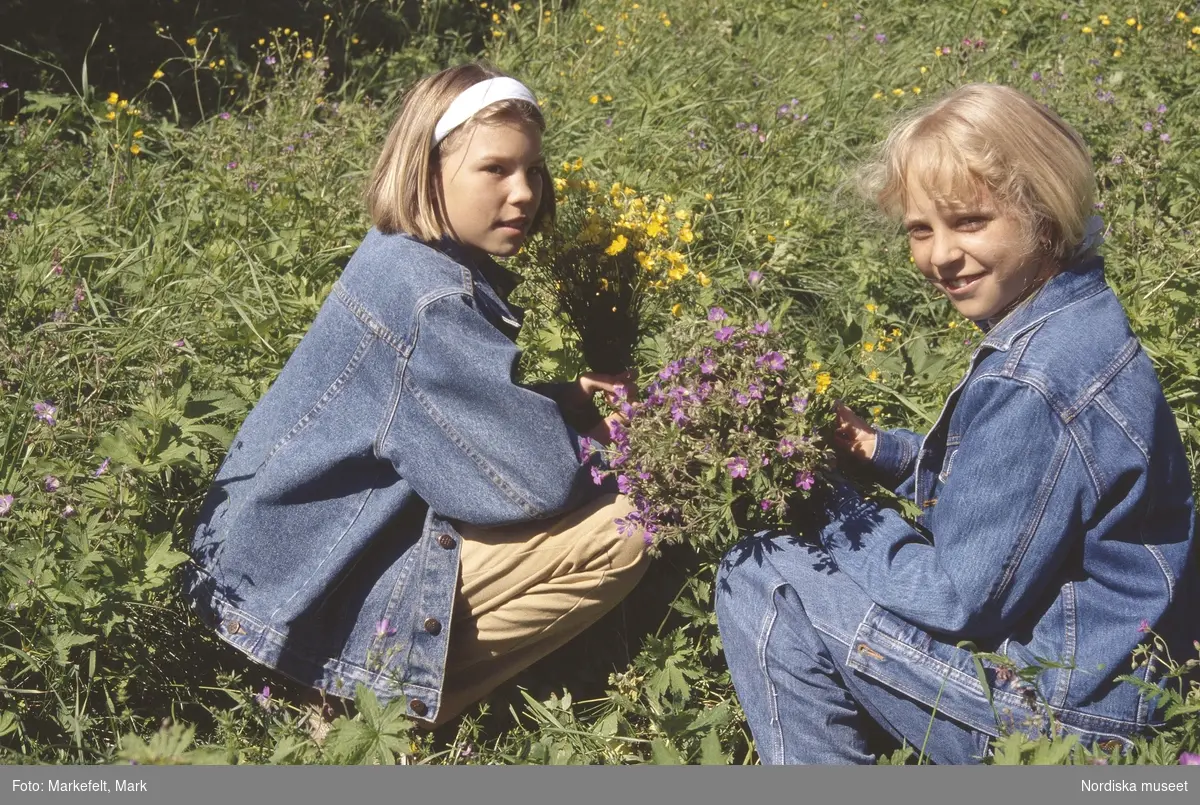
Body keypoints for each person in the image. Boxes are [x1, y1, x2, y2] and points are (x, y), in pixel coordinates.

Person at [715, 83, 1197, 764]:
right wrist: (880, 451)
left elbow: (953, 600)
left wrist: (827, 500)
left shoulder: (1032, 380)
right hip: (1132, 679)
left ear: (1044, 214)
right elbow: (1009, 502)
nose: (940, 255)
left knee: (761, 573)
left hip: (1067, 718)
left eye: (969, 221)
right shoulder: (1077, 320)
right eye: (920, 229)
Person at [183, 63, 648, 728]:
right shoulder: (433, 297)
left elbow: (428, 416)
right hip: (295, 594)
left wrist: (562, 399)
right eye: (495, 169)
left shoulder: (404, 256)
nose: (524, 193)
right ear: (429, 170)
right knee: (625, 528)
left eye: (534, 170)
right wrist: (612, 441)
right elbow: (536, 482)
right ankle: (371, 711)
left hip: (265, 564)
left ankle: (375, 695)